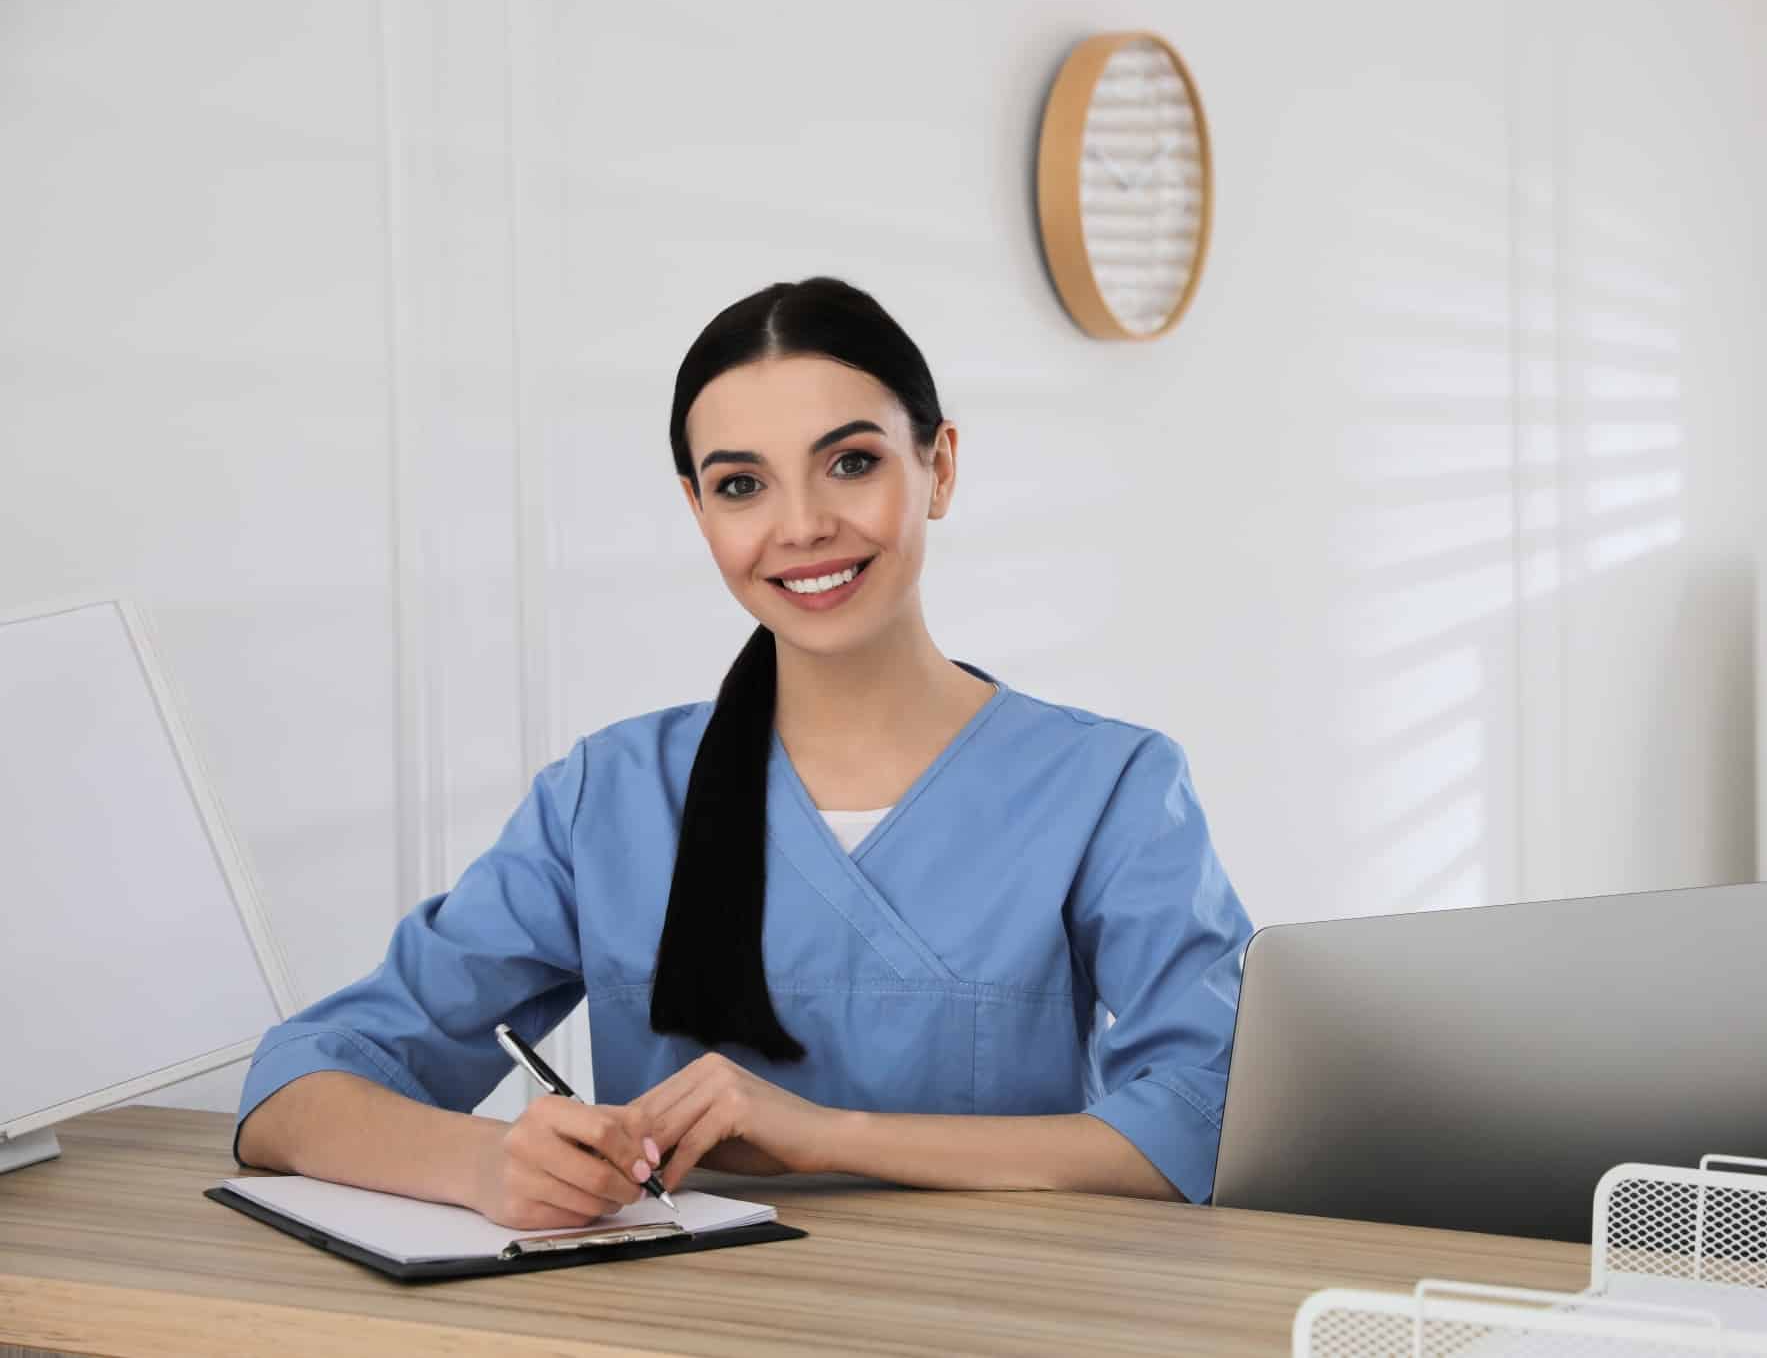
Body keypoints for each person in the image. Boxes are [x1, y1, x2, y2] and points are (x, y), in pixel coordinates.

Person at [233, 276, 1255, 1229]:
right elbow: (299, 1085)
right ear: (696, 510)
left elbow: (1206, 1120)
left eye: (850, 463)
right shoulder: (610, 797)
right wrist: (487, 1164)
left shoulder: (1109, 787)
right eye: (740, 485)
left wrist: (818, 1136)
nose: (801, 526)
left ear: (938, 467)